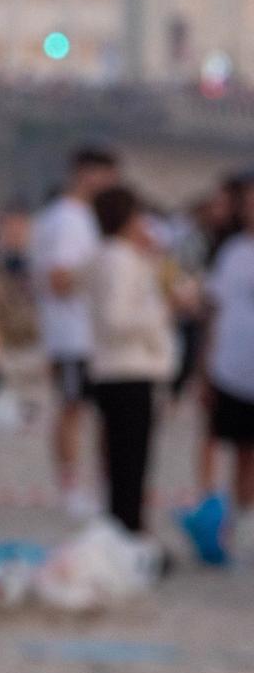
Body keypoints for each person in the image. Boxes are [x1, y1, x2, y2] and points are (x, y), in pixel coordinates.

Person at [31, 147, 121, 518]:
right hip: (72, 333)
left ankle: (97, 486)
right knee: (72, 410)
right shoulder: (67, 219)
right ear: (86, 173)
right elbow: (59, 279)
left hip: (91, 333)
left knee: (95, 413)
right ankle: (71, 488)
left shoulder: (84, 217)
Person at [83, 185, 175, 536]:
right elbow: (115, 320)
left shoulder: (117, 256)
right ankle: (128, 536)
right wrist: (163, 313)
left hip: (122, 372)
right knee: (129, 467)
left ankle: (127, 533)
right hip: (127, 372)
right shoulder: (117, 259)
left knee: (128, 466)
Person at [188, 178, 254, 561]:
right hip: (227, 365)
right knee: (213, 438)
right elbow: (213, 311)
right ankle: (210, 509)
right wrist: (204, 366)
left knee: (249, 451)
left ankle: (243, 517)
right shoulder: (231, 252)